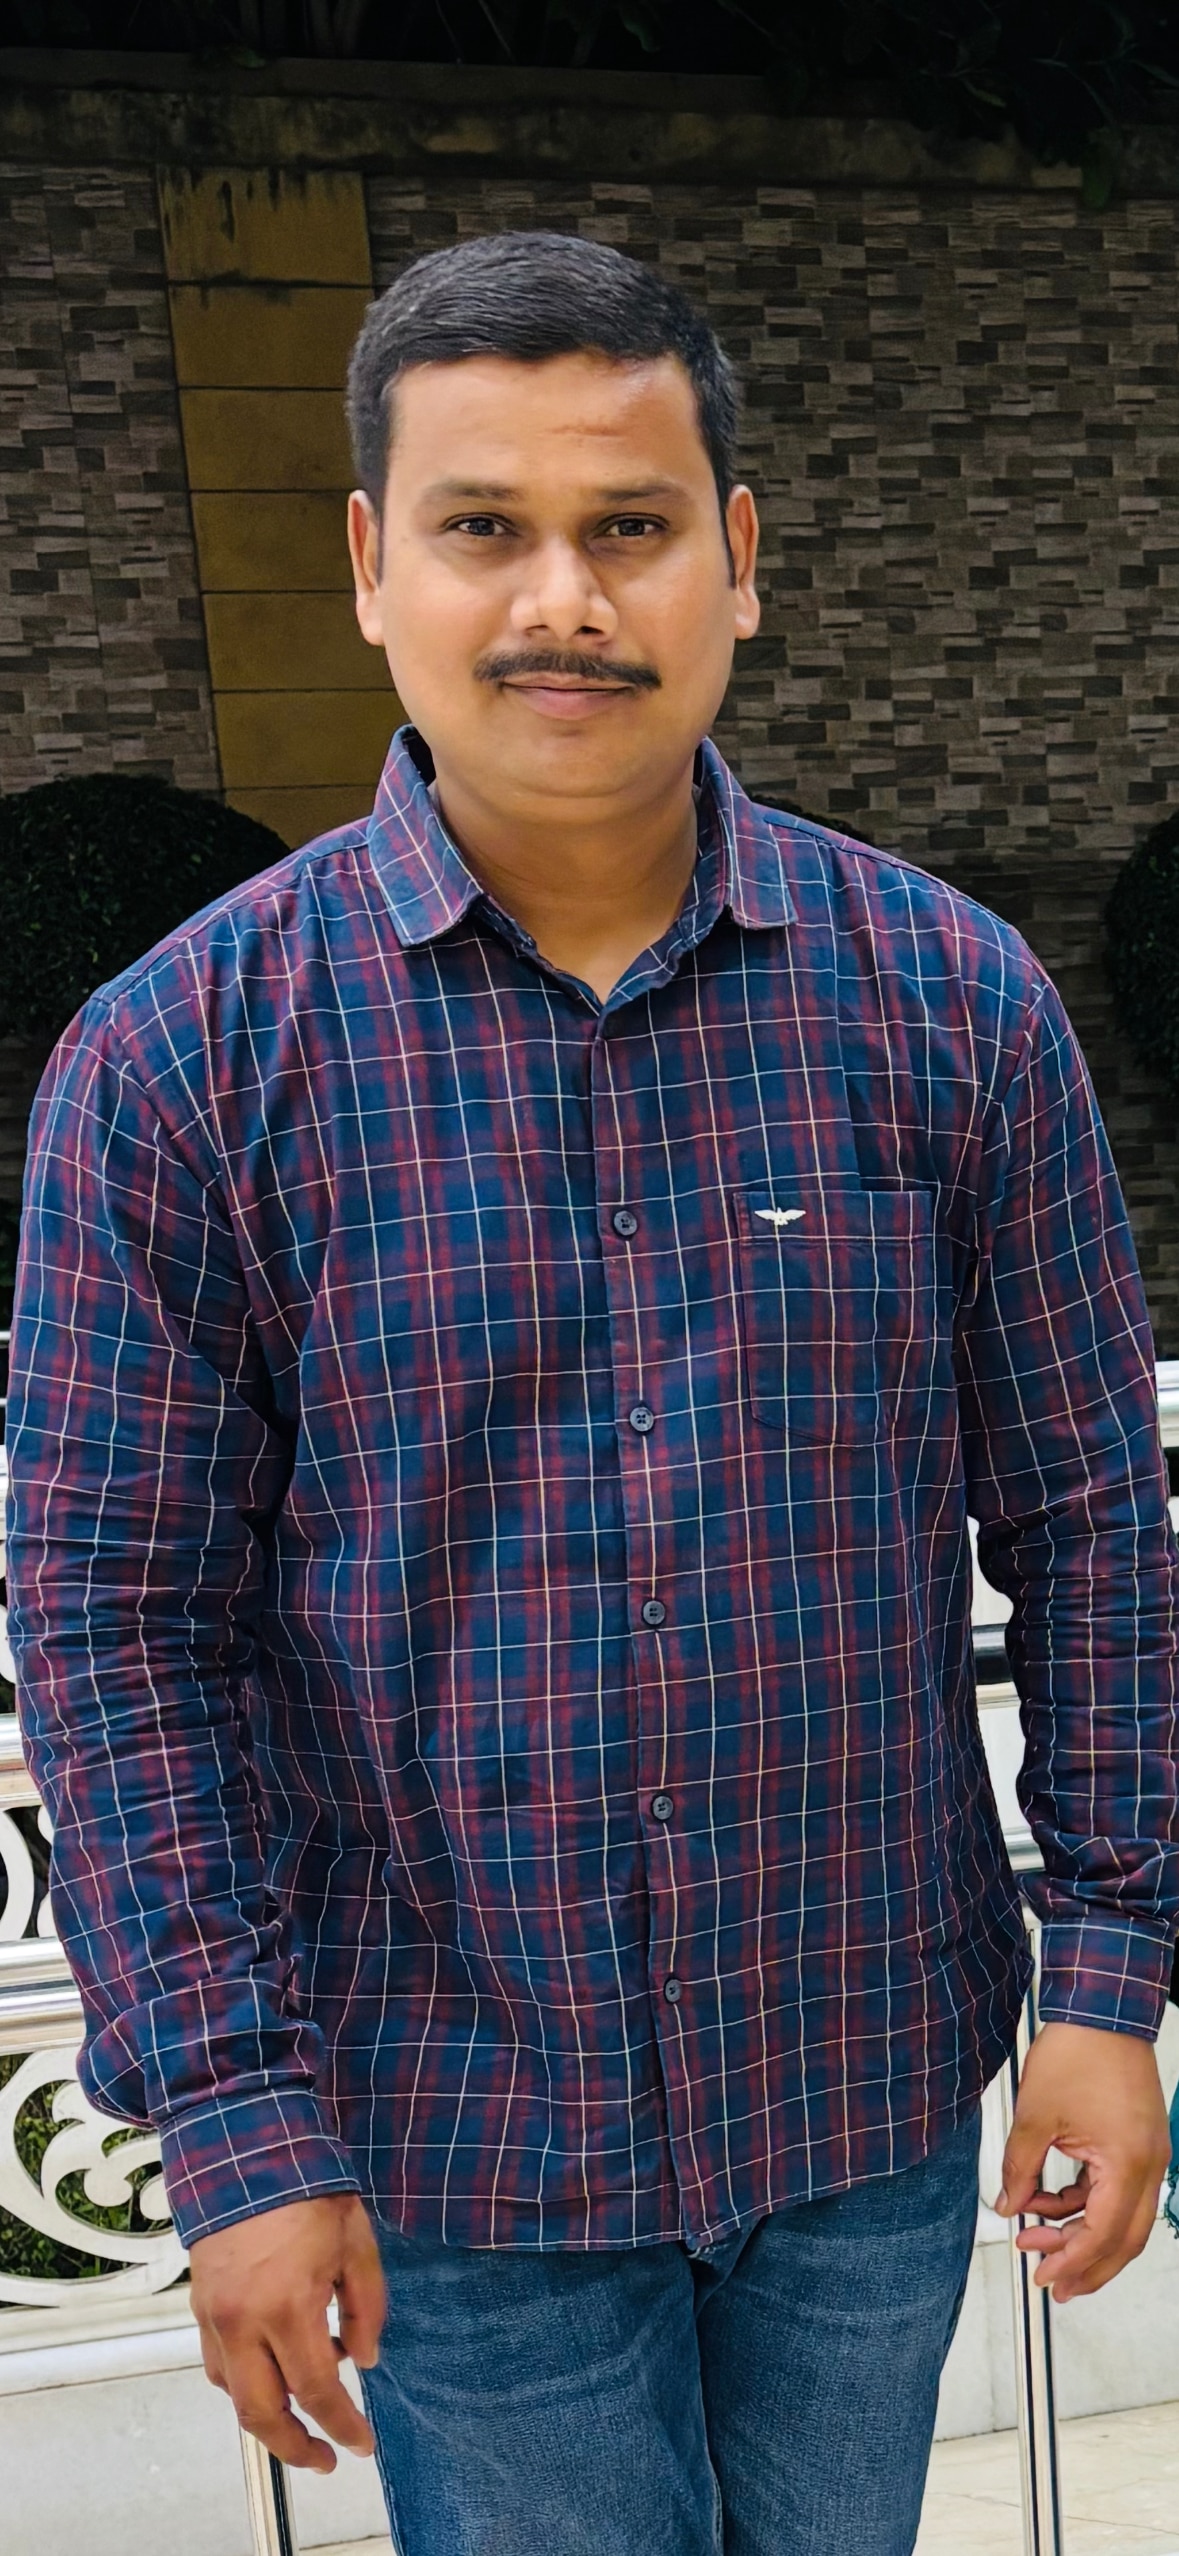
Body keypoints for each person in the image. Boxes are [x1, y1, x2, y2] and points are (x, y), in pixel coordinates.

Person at [7, 230, 1177, 2556]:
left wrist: (1111, 1973)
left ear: (734, 557)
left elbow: (1082, 1516)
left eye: (627, 524)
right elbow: (123, 1635)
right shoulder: (181, 1064)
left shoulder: (947, 1007)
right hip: (452, 2138)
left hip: (859, 2084)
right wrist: (232, 2119)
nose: (563, 598)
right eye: (484, 526)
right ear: (372, 565)